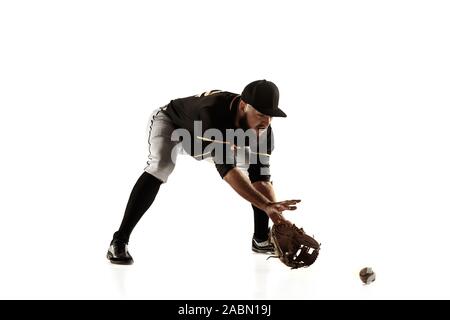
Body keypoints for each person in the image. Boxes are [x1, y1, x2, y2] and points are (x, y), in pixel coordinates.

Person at [107, 79, 300, 265]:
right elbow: (228, 171)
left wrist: (278, 219)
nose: (266, 121)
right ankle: (119, 241)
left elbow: (261, 180)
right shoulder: (213, 112)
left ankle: (260, 238)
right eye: (261, 113)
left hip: (213, 141)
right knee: (161, 166)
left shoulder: (264, 131)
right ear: (243, 106)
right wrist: (266, 205)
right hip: (174, 125)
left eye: (271, 115)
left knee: (255, 169)